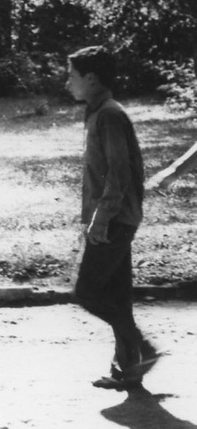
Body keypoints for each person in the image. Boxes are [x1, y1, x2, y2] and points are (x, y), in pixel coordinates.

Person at [65, 45, 158, 390]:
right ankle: (129, 369)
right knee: (117, 296)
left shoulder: (108, 115)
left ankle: (144, 348)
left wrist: (101, 219)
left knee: (87, 291)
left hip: (115, 218)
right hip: (116, 216)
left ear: (91, 78)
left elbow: (119, 173)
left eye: (71, 76)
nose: (67, 83)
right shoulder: (99, 112)